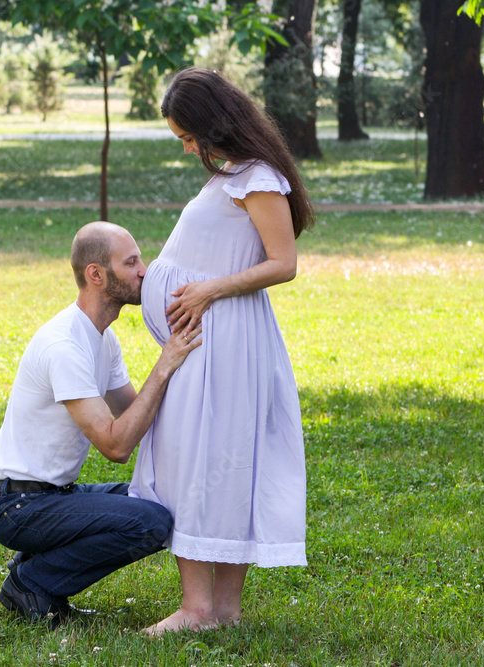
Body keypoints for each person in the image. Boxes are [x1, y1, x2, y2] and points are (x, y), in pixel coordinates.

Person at [128, 67, 316, 635]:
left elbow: (283, 264)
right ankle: (217, 611)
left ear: (212, 124)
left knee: (209, 459)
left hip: (224, 337)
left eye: (189, 138)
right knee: (211, 457)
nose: (188, 149)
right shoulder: (234, 174)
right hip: (211, 338)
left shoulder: (257, 178)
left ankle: (202, 609)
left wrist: (208, 288)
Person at [0, 221, 202, 628]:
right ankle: (31, 581)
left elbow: (137, 414)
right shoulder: (64, 346)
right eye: (132, 261)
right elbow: (116, 446)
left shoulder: (102, 338)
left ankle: (36, 567)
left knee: (157, 500)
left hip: (54, 495)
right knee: (150, 523)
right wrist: (165, 363)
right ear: (96, 275)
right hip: (19, 506)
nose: (144, 270)